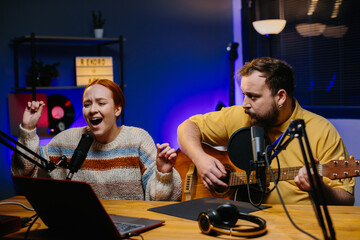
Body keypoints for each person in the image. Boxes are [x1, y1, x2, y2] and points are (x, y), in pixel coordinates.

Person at [177, 57, 354, 205]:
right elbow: (186, 127)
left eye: (253, 96)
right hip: (241, 220)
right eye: (244, 94)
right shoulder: (241, 116)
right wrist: (200, 159)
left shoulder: (321, 131)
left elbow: (346, 198)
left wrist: (319, 188)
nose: (245, 103)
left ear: (280, 97)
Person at [11, 79, 182, 201]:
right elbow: (24, 173)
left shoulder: (138, 139)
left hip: (132, 227)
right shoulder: (67, 140)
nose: (92, 110)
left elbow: (160, 200)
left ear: (117, 109)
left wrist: (163, 173)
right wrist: (28, 129)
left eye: (101, 103)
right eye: (87, 104)